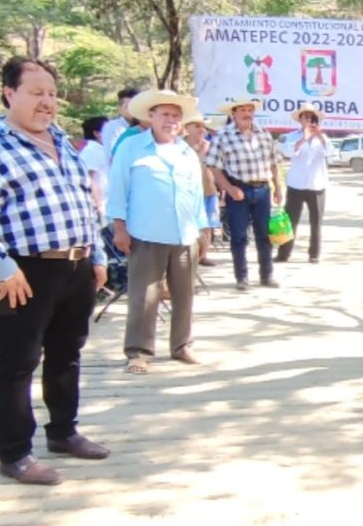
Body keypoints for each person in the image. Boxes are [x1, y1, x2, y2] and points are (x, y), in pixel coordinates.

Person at [0, 57, 112, 486]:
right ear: (10, 93)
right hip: (23, 270)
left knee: (67, 354)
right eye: (36, 92)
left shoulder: (61, 140)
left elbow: (84, 201)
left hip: (75, 264)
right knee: (18, 361)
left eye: (51, 93)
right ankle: (15, 453)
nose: (47, 102)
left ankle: (64, 431)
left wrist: (96, 255)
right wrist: (1, 267)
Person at [106, 89, 207, 373]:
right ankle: (138, 352)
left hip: (185, 234)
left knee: (184, 293)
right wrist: (119, 227)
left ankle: (182, 345)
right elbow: (118, 189)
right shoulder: (131, 147)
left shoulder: (187, 151)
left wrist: (203, 229)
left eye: (176, 116)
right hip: (146, 232)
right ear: (151, 116)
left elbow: (196, 193)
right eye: (165, 114)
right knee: (145, 295)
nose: (171, 120)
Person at [207, 98, 284, 291]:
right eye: (242, 110)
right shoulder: (223, 136)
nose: (246, 113)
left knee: (264, 235)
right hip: (238, 190)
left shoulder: (264, 134)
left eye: (250, 109)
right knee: (239, 236)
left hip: (262, 189)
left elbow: (274, 163)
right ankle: (242, 277)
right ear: (234, 113)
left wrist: (278, 187)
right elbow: (214, 166)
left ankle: (267, 275)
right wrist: (229, 188)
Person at [277, 105, 330, 264]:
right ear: (300, 120)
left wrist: (319, 136)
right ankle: (284, 254)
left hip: (316, 185)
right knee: (290, 221)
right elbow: (288, 152)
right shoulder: (292, 136)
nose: (308, 120)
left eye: (311, 117)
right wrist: (304, 139)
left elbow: (332, 153)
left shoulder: (323, 138)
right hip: (296, 184)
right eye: (305, 117)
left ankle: (314, 254)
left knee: (316, 222)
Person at [180, 112, 219, 267]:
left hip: (209, 190)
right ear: (186, 128)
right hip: (187, 193)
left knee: (207, 224)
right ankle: (190, 255)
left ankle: (203, 255)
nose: (201, 129)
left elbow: (219, 168)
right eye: (196, 126)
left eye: (203, 126)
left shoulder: (210, 146)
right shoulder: (179, 147)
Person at [78, 115, 110, 217]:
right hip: (101, 205)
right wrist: (98, 203)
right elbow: (90, 177)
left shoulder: (101, 150)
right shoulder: (91, 151)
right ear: (97, 133)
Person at [100, 87, 138, 153]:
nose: (132, 109)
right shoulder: (113, 127)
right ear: (119, 108)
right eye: (128, 106)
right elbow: (111, 154)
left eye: (135, 106)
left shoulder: (143, 126)